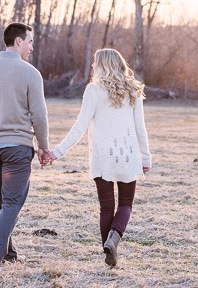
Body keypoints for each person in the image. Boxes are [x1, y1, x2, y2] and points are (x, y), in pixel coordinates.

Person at [43, 48, 152, 268]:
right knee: (126, 204)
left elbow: (79, 127)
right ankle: (114, 240)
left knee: (106, 207)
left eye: (95, 63)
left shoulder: (93, 90)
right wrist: (146, 158)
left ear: (102, 65)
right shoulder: (134, 89)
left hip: (103, 159)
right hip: (129, 157)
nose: (93, 67)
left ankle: (108, 252)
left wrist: (57, 152)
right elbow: (141, 128)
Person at [0, 22, 51, 280]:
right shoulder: (30, 73)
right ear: (17, 42)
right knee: (12, 203)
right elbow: (39, 115)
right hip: (16, 149)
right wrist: (44, 146)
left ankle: (9, 254)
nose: (32, 47)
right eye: (30, 42)